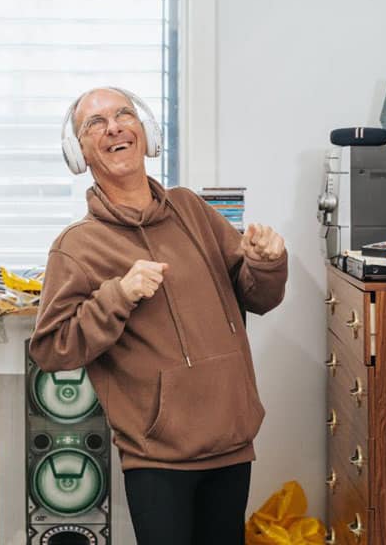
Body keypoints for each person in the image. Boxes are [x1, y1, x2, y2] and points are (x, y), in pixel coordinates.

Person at [29, 86, 287, 545]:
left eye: (123, 114)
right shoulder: (76, 247)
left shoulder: (192, 210)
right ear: (79, 154)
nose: (113, 127)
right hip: (157, 457)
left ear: (145, 133)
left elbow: (258, 297)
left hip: (231, 440)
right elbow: (52, 348)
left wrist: (266, 261)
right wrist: (117, 295)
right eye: (95, 123)